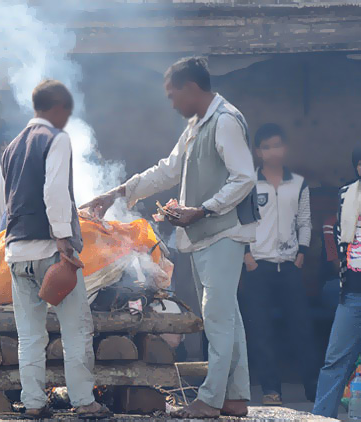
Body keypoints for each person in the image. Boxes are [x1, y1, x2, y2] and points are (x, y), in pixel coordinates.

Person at [82, 57, 258, 418]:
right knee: (229, 318)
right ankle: (236, 397)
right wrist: (117, 193)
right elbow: (168, 169)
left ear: (191, 89)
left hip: (224, 232)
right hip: (205, 235)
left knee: (217, 318)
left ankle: (209, 400)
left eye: (172, 95)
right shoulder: (197, 124)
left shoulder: (224, 121)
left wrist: (203, 209)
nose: (172, 103)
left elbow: (244, 178)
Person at [2, 79, 110, 419]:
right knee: (77, 328)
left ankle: (34, 403)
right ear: (58, 108)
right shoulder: (56, 138)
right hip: (51, 250)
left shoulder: (12, 147)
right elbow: (55, 193)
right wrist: (64, 240)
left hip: (16, 252)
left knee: (30, 336)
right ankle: (83, 401)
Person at [237, 123, 317, 405]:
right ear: (258, 152)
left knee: (302, 328)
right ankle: (271, 390)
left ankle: (314, 389)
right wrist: (247, 256)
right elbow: (242, 221)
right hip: (259, 266)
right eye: (266, 146)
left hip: (290, 265)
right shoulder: (249, 184)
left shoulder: (299, 183)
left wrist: (302, 253)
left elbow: (305, 222)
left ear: (285, 148)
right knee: (261, 331)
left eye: (277, 145)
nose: (273, 151)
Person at [313, 147, 361, 418]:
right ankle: (321, 417)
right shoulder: (347, 195)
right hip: (353, 294)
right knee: (335, 362)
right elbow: (344, 238)